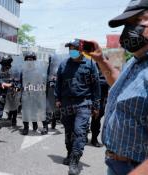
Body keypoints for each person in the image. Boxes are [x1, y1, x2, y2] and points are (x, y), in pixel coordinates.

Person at [88, 1, 148, 174]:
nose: (129, 29)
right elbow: (122, 86)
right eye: (126, 24)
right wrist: (101, 59)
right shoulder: (135, 61)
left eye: (136, 21)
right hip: (117, 164)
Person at [55, 39, 101, 175]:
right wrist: (57, 98)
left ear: (81, 50)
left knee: (79, 132)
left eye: (74, 48)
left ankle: (75, 160)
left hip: (84, 103)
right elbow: (58, 82)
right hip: (67, 103)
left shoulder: (90, 64)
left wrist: (96, 105)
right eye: (70, 49)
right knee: (69, 132)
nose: (71, 51)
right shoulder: (64, 64)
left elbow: (96, 86)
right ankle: (69, 153)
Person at [21, 52, 49, 135]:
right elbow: (20, 82)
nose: (29, 61)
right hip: (26, 94)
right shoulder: (23, 70)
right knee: (26, 111)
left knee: (41, 111)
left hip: (37, 93)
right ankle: (26, 127)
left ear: (34, 60)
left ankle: (45, 127)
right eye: (28, 59)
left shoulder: (38, 70)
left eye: (31, 59)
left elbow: (43, 82)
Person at [0, 55, 21, 130]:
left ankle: (13, 119)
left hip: (11, 91)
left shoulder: (14, 70)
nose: (3, 66)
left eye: (5, 63)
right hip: (1, 90)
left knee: (13, 106)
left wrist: (11, 85)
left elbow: (17, 81)